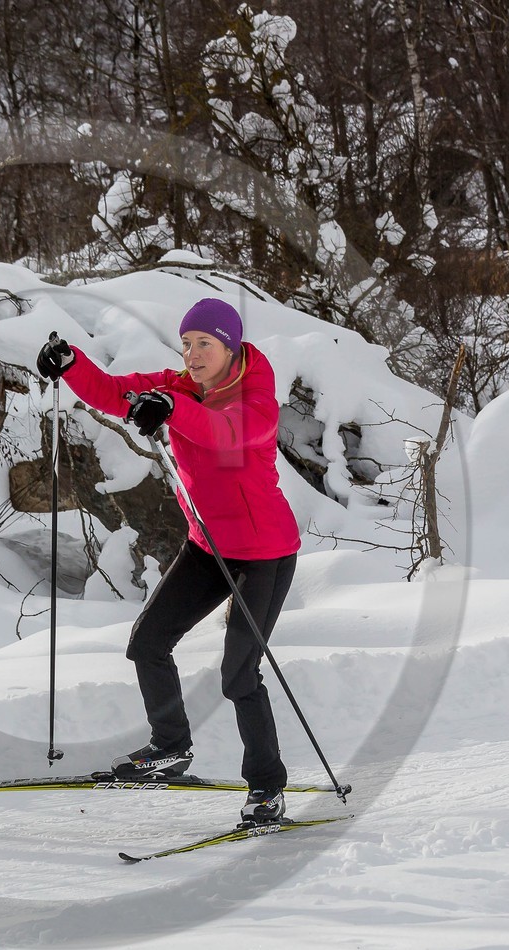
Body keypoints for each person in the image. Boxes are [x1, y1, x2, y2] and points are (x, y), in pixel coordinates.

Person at [36, 298, 301, 825]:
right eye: (186, 344)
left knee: (238, 675)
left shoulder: (256, 396)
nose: (193, 354)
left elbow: (227, 433)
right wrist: (72, 364)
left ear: (230, 345)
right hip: (207, 546)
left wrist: (173, 410)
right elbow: (115, 392)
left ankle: (268, 789)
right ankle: (170, 748)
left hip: (264, 553)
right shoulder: (178, 385)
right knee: (148, 643)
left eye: (204, 343)